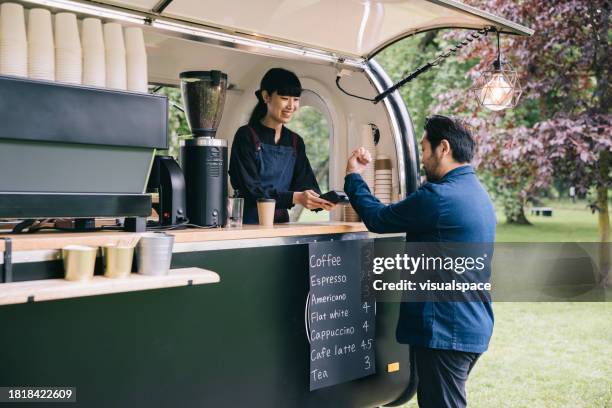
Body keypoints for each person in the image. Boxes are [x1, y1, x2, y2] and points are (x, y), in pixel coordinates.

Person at [344, 115, 496, 408]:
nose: (423, 158)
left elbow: (378, 218)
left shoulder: (439, 197)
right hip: (469, 323)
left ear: (443, 148)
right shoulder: (477, 193)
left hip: (445, 331)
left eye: (424, 149)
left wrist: (354, 176)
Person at [229, 68, 335, 224]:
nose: (291, 106)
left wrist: (321, 200)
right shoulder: (246, 136)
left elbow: (305, 183)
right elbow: (251, 190)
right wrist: (296, 197)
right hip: (247, 224)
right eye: (285, 98)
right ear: (266, 97)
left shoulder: (295, 141)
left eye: (296, 99)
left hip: (281, 224)